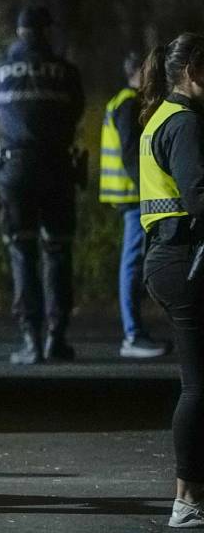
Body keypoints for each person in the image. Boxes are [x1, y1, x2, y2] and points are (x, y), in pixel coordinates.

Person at [0, 5, 84, 365]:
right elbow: (76, 111)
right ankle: (57, 337)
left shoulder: (0, 71)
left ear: (18, 33)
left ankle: (31, 339)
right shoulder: (66, 72)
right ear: (47, 32)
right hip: (57, 167)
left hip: (15, 170)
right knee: (57, 251)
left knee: (22, 251)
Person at [136, 33, 204, 528]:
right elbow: (198, 196)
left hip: (166, 257)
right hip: (185, 259)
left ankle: (190, 496)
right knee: (198, 386)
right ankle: (187, 498)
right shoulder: (184, 123)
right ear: (193, 71)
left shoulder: (159, 117)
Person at [101, 52, 168, 358]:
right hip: (134, 198)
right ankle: (132, 335)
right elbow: (132, 155)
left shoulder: (123, 102)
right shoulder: (129, 105)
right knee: (132, 264)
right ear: (139, 74)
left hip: (129, 196)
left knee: (134, 263)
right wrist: (149, 193)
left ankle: (135, 332)